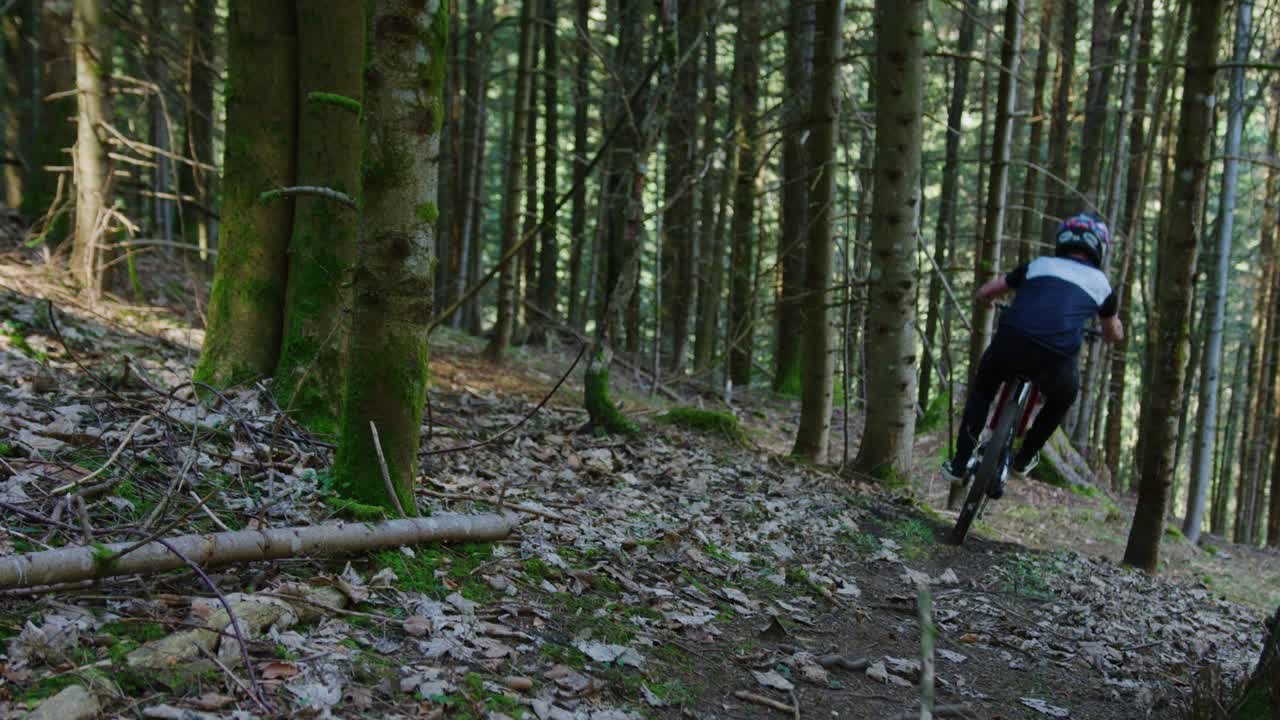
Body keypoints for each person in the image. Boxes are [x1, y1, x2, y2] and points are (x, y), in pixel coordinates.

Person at [941, 211, 1124, 498]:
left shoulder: (1038, 265)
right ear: (1099, 248)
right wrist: (1113, 330)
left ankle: (960, 461)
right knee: (1063, 397)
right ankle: (1025, 457)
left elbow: (987, 291)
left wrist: (986, 302)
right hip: (1055, 359)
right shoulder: (1101, 284)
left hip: (1010, 342)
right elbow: (1112, 332)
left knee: (982, 390)